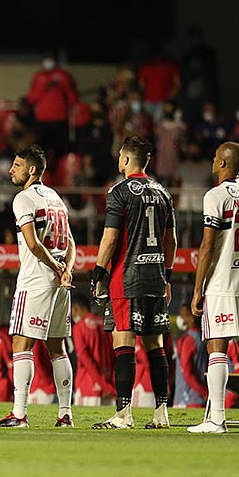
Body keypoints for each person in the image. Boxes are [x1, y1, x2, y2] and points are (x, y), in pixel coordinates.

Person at [89, 136, 177, 430]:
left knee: (123, 341)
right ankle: (161, 413)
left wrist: (99, 271)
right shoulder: (163, 192)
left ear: (126, 160)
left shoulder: (119, 192)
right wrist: (168, 274)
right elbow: (170, 240)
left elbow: (111, 237)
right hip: (155, 276)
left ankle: (124, 414)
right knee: (156, 345)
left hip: (127, 277)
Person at [0, 146, 76, 428]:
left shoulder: (23, 199)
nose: (11, 170)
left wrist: (56, 268)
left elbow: (33, 245)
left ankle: (19, 414)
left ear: (33, 170)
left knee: (21, 343)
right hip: (59, 284)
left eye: (17, 165)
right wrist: (66, 270)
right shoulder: (55, 198)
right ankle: (65, 414)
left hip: (36, 280)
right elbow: (71, 243)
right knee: (57, 348)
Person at [189, 142, 239, 433]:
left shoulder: (215, 196)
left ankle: (217, 419)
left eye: (215, 156)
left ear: (223, 163)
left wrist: (198, 289)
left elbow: (208, 246)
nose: (212, 159)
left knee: (216, 347)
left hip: (223, 282)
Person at [26, 53, 79, 159]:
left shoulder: (63, 76)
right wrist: (45, 87)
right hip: (42, 120)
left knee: (60, 150)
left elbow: (71, 96)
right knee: (41, 151)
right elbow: (32, 98)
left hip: (60, 119)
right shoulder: (39, 77)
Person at [71, 291, 114, 405]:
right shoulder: (105, 324)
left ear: (75, 308)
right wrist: (110, 385)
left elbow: (86, 359)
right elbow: (114, 355)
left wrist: (102, 385)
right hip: (109, 386)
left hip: (88, 387)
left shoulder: (79, 327)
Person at [173, 304, 208, 409]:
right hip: (193, 398)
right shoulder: (199, 339)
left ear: (192, 319)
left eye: (183, 316)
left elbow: (186, 372)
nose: (181, 320)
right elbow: (187, 371)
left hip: (188, 399)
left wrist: (204, 392)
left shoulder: (190, 340)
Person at [180, 25, 219, 119]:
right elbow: (184, 74)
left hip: (205, 95)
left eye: (196, 36)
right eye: (192, 36)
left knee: (205, 121)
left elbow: (209, 73)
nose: (194, 39)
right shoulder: (187, 55)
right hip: (190, 96)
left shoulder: (208, 53)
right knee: (190, 120)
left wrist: (211, 98)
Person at [137, 45, 181, 119]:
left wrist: (170, 99)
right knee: (147, 124)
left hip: (163, 101)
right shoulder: (145, 67)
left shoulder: (170, 66)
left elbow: (177, 84)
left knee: (158, 124)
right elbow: (141, 85)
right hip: (148, 101)